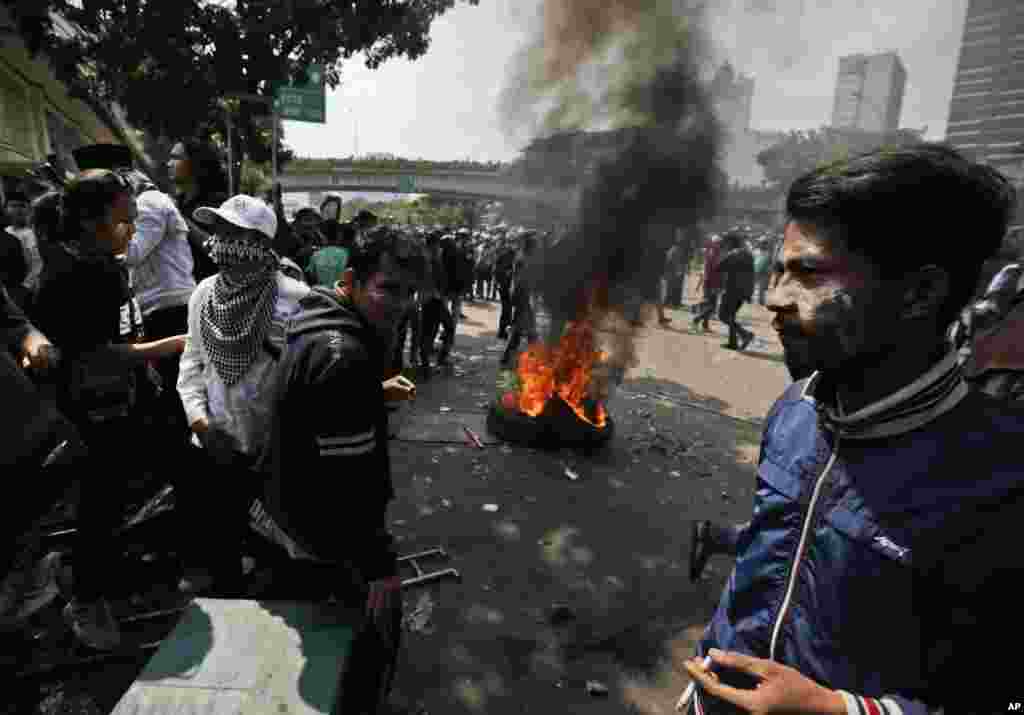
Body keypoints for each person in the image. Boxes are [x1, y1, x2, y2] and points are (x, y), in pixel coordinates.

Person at [681, 144, 1024, 715]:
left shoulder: (1004, 483)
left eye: (808, 274)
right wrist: (703, 674)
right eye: (780, 271)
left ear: (920, 293)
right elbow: (763, 570)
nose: (774, 298)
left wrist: (837, 710)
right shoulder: (794, 410)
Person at [254, 231, 422, 708]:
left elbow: (316, 405)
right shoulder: (344, 357)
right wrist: (379, 565)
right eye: (388, 289)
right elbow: (350, 489)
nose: (401, 304)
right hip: (323, 534)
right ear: (352, 280)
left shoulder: (318, 309)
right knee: (359, 651)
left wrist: (371, 394)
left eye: (409, 292)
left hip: (285, 506)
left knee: (309, 639)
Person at [33, 169, 187, 649]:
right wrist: (160, 349)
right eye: (124, 220)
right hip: (88, 411)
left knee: (126, 491)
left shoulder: (108, 265)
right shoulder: (68, 276)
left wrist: (145, 369)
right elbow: (90, 352)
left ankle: (93, 571)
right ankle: (85, 596)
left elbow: (123, 330)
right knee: (99, 502)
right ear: (87, 220)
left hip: (124, 398)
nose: (132, 231)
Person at [176, 194, 311, 596]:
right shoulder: (202, 293)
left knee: (277, 553)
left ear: (259, 242)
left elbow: (306, 381)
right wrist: (200, 423)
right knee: (222, 549)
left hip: (274, 453)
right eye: (218, 231)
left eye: (233, 233)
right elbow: (191, 365)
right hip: (215, 444)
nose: (221, 241)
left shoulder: (296, 299)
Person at [167, 138, 229, 282]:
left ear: (195, 163)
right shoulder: (178, 202)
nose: (169, 164)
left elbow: (221, 251)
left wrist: (180, 217)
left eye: (176, 158)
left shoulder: (218, 204)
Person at [501, 232, 540, 367]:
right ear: (531, 247)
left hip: (523, 297)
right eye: (536, 246)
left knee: (522, 330)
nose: (537, 248)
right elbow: (520, 281)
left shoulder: (524, 258)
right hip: (522, 297)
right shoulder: (523, 259)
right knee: (527, 330)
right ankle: (536, 358)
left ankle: (508, 357)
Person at [419, 231, 455, 371]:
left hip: (433, 299)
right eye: (438, 244)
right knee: (433, 331)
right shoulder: (429, 259)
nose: (439, 247)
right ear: (433, 244)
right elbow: (428, 279)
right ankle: (430, 363)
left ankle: (428, 363)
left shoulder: (432, 257)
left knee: (431, 331)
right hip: (433, 299)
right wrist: (435, 293)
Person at [4, 190, 43, 311]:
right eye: (13, 206)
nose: (18, 210)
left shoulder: (32, 234)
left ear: (29, 209)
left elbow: (37, 264)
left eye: (22, 206)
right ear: (5, 209)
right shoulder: (6, 232)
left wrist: (26, 287)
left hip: (24, 289)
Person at [716, 232, 756, 351]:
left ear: (730, 243)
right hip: (744, 291)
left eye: (725, 243)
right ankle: (733, 342)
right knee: (731, 316)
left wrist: (724, 255)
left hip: (732, 290)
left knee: (723, 315)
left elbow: (719, 267)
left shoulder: (733, 254)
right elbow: (752, 274)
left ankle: (745, 334)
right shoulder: (748, 254)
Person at [306, 215, 354, 288]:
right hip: (341, 293)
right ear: (339, 235)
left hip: (322, 293)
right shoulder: (347, 253)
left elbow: (311, 276)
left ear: (322, 236)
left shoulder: (315, 255)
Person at [692, 234, 723, 332]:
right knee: (711, 307)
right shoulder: (712, 255)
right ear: (713, 244)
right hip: (710, 283)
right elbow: (707, 272)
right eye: (717, 243)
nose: (718, 245)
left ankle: (705, 325)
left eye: (719, 243)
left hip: (713, 283)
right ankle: (697, 319)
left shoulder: (715, 254)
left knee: (709, 305)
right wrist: (708, 284)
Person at [494, 239, 517, 339]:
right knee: (507, 310)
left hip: (506, 286)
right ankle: (503, 332)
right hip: (506, 287)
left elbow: (496, 270)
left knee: (507, 310)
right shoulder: (508, 256)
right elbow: (497, 270)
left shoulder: (508, 255)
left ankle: (503, 332)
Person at [752, 236, 774, 306]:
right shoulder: (756, 251)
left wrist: (769, 271)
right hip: (755, 272)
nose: (762, 244)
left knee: (762, 289)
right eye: (761, 243)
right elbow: (753, 260)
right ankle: (752, 300)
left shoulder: (769, 253)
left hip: (764, 273)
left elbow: (770, 263)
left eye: (764, 243)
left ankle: (761, 302)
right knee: (753, 287)